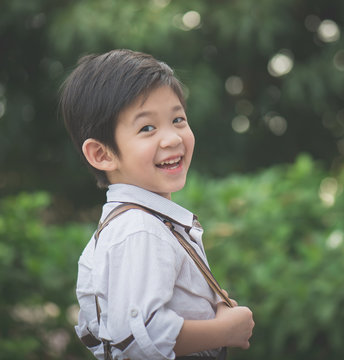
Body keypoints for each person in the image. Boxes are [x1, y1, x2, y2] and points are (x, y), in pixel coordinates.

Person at [59, 49, 254, 360]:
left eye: (177, 119)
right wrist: (225, 331)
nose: (172, 138)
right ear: (102, 154)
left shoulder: (143, 223)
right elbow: (138, 335)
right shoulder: (140, 230)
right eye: (147, 128)